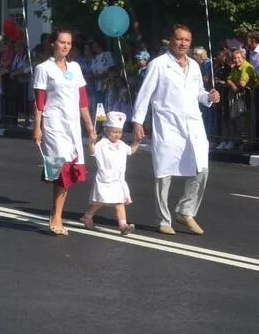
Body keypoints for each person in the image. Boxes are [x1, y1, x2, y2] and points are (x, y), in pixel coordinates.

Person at [131, 24, 220, 236]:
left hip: (193, 125)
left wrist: (209, 96)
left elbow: (199, 93)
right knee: (164, 172)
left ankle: (185, 211)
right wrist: (138, 122)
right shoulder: (159, 64)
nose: (182, 43)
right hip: (168, 125)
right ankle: (163, 219)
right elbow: (145, 94)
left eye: (187, 40)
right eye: (179, 39)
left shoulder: (194, 66)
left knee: (201, 169)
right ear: (171, 40)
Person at [32, 29, 95, 236]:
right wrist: (37, 127)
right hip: (53, 124)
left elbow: (83, 100)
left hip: (72, 125)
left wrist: (90, 127)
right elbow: (39, 101)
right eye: (62, 42)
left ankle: (56, 213)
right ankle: (55, 216)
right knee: (61, 169)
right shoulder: (44, 68)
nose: (66, 46)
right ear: (53, 44)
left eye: (68, 43)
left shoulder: (75, 68)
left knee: (69, 170)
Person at [83, 111, 140, 235]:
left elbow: (131, 151)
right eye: (114, 132)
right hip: (105, 179)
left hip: (118, 180)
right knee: (99, 202)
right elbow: (92, 152)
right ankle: (87, 217)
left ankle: (123, 225)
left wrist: (137, 141)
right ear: (106, 130)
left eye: (119, 132)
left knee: (119, 203)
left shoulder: (121, 144)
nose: (117, 135)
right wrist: (91, 142)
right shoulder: (102, 144)